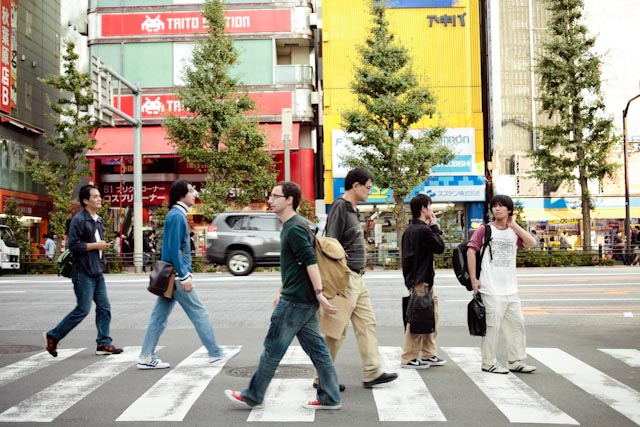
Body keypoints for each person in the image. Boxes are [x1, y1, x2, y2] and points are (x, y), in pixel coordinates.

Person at [224, 181, 342, 410]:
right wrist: (281, 290)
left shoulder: (295, 228)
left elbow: (310, 262)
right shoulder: (293, 225)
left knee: (272, 349)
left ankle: (253, 395)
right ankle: (330, 397)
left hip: (296, 301)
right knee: (318, 351)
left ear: (289, 200)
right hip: (299, 299)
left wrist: (320, 294)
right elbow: (296, 266)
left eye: (275, 196)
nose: (270, 200)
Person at [137, 180, 238, 370]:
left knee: (158, 317)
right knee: (199, 312)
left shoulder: (177, 214)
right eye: (191, 191)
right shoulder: (177, 216)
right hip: (175, 276)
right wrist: (184, 276)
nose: (195, 193)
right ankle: (215, 353)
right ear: (181, 195)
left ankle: (145, 355)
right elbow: (175, 249)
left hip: (171, 275)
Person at [320, 167, 398, 389]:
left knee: (367, 323)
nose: (369, 192)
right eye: (368, 187)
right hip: (345, 278)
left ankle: (373, 371)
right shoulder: (340, 207)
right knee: (336, 330)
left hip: (358, 278)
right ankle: (321, 377)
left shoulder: (352, 209)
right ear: (355, 186)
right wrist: (337, 274)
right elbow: (329, 243)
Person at [44, 185, 122, 357]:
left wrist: (103, 251)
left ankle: (103, 343)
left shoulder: (99, 220)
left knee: (104, 308)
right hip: (83, 272)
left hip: (97, 271)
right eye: (95, 196)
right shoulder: (78, 220)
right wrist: (97, 246)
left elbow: (97, 246)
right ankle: (53, 335)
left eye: (99, 196)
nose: (99, 199)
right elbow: (73, 245)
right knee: (83, 309)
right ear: (86, 200)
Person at [466, 194, 538, 374]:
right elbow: (470, 251)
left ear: (509, 209)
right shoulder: (485, 230)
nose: (497, 209)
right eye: (494, 206)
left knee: (516, 324)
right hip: (490, 287)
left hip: (510, 289)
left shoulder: (513, 232)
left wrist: (513, 225)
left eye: (501, 206)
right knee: (492, 327)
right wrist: (474, 279)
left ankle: (515, 360)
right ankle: (488, 362)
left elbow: (531, 243)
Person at [400, 194, 446, 369]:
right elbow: (440, 248)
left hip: (417, 280)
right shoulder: (424, 230)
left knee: (429, 317)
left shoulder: (410, 230)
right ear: (423, 209)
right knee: (418, 318)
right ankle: (408, 357)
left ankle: (429, 353)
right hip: (422, 281)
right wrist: (434, 226)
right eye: (430, 206)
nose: (432, 210)